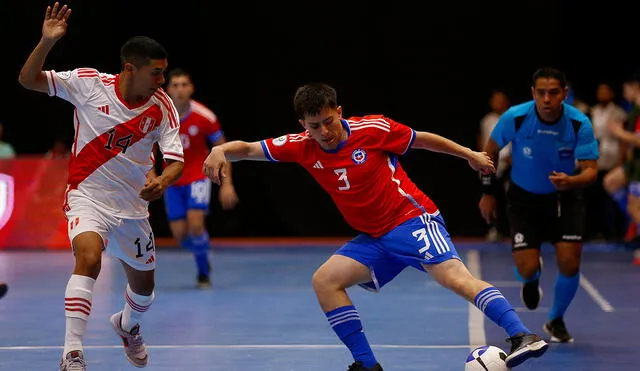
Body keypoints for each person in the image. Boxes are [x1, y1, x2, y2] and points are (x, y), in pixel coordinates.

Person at [203, 83, 548, 370]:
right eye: (314, 126)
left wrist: (468, 154)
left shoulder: (372, 129)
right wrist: (220, 150)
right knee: (325, 280)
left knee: (455, 279)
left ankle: (522, 335)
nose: (323, 132)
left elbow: (422, 139)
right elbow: (247, 148)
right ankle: (367, 364)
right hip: (375, 237)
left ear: (338, 111)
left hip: (411, 220)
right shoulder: (302, 146)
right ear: (302, 124)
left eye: (328, 121)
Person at [18, 3, 184, 370]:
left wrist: (162, 181)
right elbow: (28, 80)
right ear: (130, 68)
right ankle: (72, 352)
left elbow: (175, 161)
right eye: (156, 73)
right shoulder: (89, 83)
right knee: (88, 259)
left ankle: (127, 326)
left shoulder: (162, 107)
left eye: (164, 72)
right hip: (87, 197)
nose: (162, 80)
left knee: (144, 291)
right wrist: (46, 42)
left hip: (133, 208)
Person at [479, 67, 599, 344]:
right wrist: (488, 192)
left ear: (564, 94)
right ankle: (530, 279)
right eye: (541, 93)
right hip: (524, 200)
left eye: (554, 93)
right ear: (533, 93)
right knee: (527, 267)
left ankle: (556, 320)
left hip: (564, 198)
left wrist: (572, 181)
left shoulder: (579, 123)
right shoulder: (516, 118)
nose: (547, 99)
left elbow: (591, 170)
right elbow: (489, 152)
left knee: (570, 263)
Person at [163, 68, 238, 289]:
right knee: (180, 234)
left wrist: (227, 184)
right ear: (168, 89)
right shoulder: (160, 115)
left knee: (195, 225)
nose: (180, 89)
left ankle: (203, 273)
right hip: (171, 180)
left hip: (198, 176)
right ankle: (203, 251)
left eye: (184, 84)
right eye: (175, 85)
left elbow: (224, 150)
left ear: (191, 88)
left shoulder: (205, 117)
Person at [478, 90, 512, 241]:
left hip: (509, 164)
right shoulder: (486, 120)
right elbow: (483, 139)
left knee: (510, 197)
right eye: (495, 100)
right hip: (490, 164)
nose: (498, 103)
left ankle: (511, 229)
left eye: (501, 100)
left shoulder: (512, 117)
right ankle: (493, 228)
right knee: (490, 194)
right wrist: (480, 157)